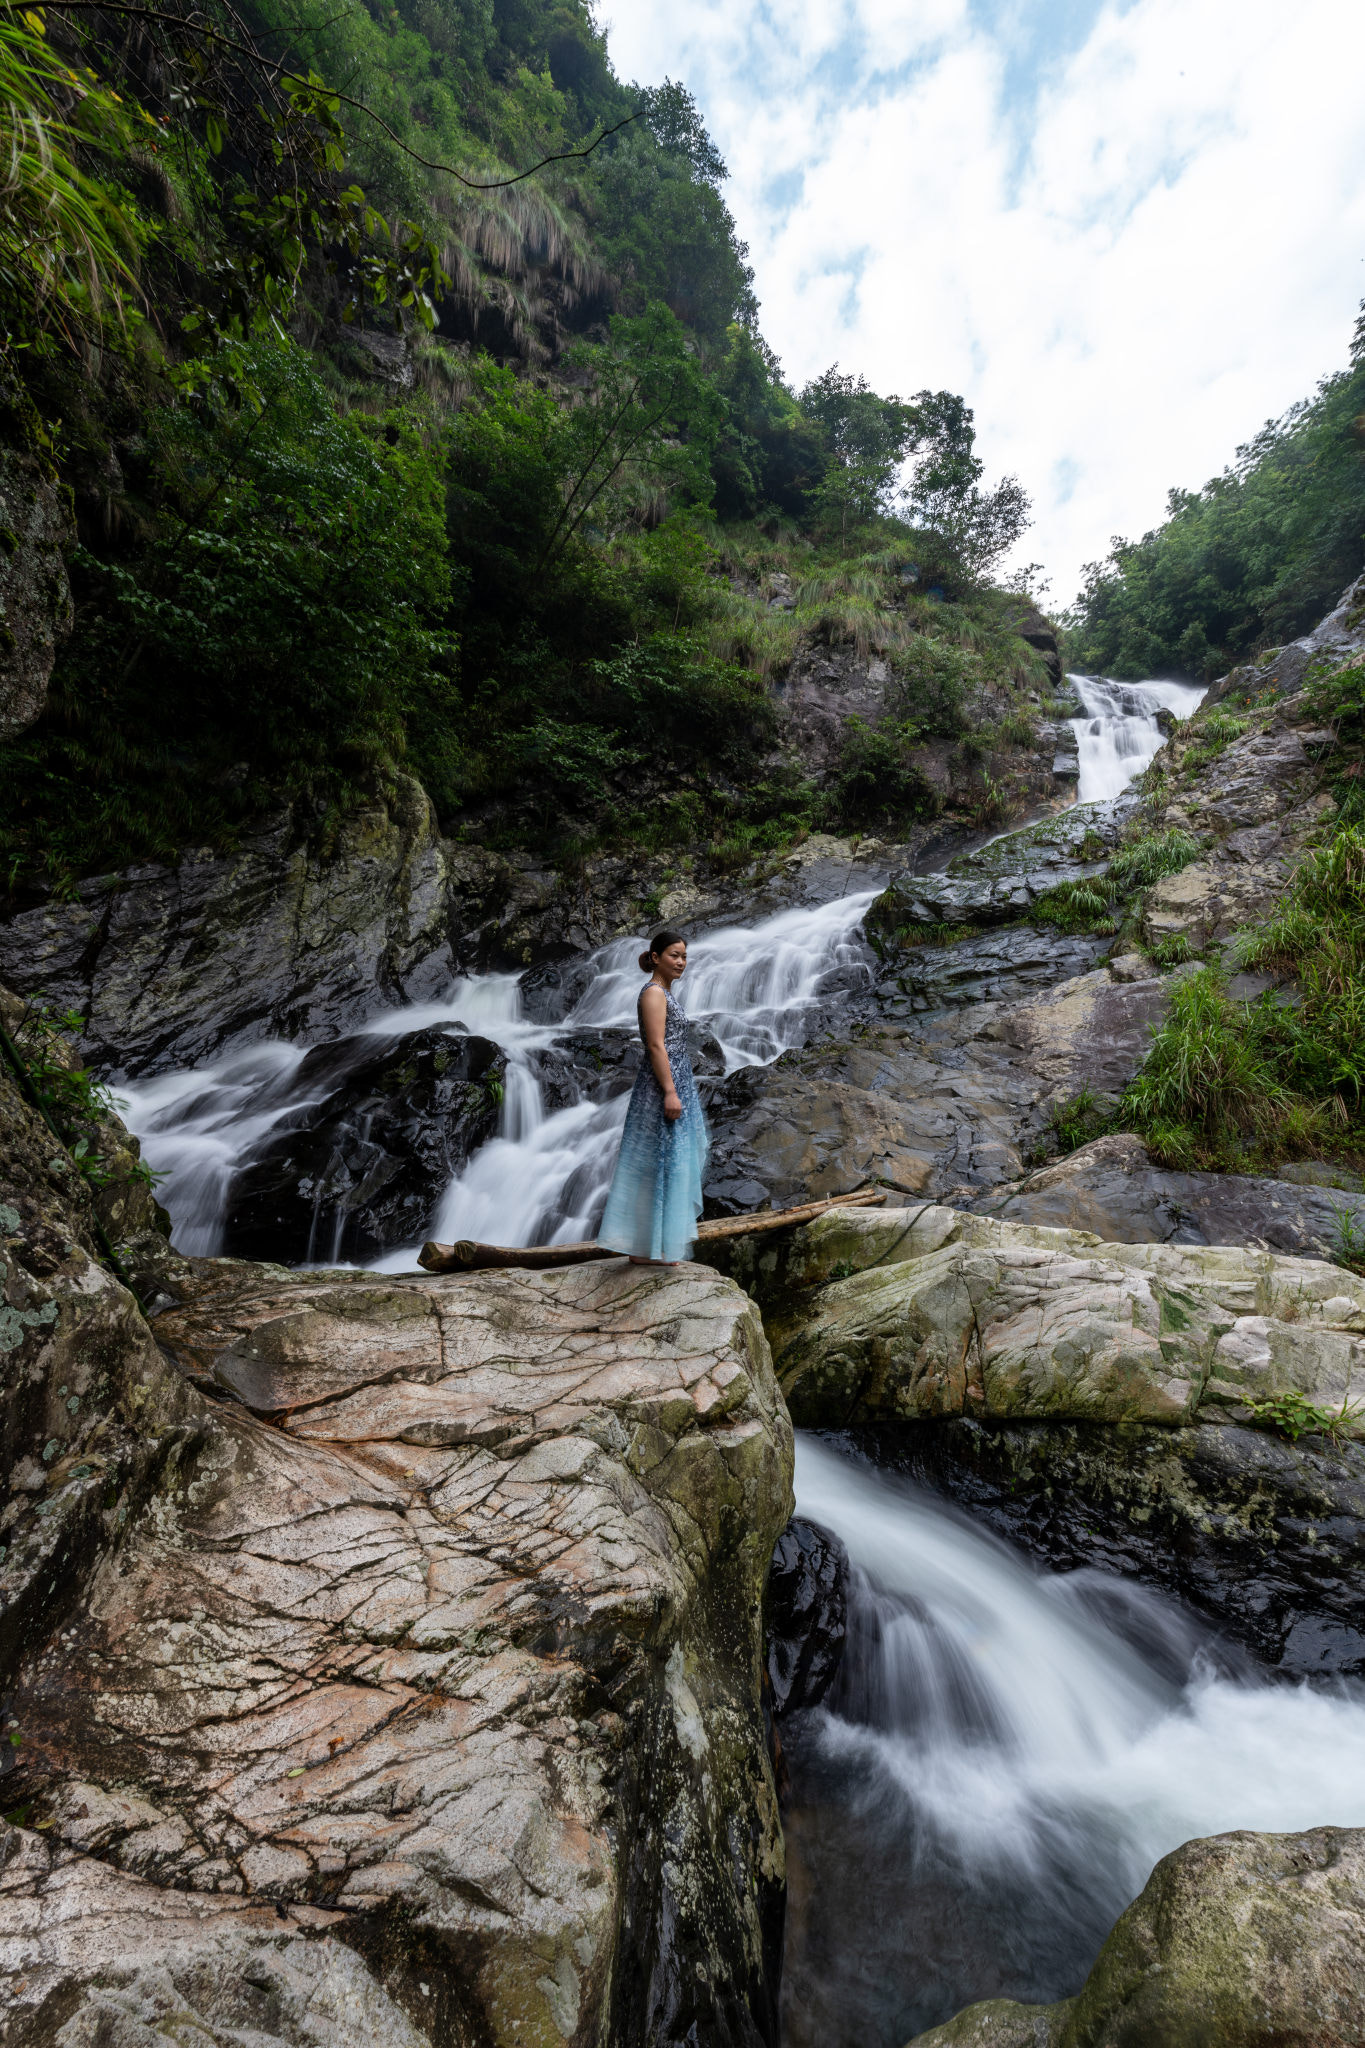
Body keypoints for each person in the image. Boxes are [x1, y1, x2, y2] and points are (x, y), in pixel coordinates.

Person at [598, 929, 709, 1265]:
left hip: (675, 1081)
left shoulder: (665, 993)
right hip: (661, 1086)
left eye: (685, 956)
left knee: (669, 1161)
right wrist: (670, 1093)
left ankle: (655, 1245)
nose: (681, 962)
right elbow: (655, 1045)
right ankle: (647, 1248)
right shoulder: (653, 994)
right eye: (674, 955)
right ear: (656, 957)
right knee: (658, 1161)